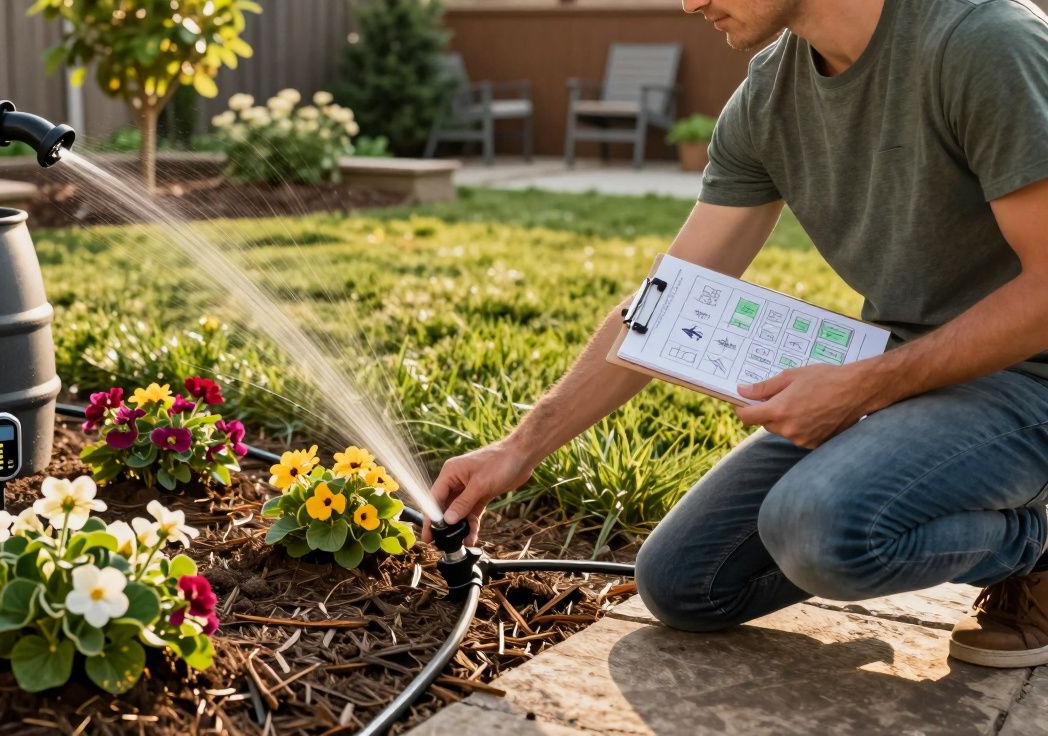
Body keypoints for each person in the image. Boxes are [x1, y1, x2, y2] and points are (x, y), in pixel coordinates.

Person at [426, 0, 1048, 668]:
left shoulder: (982, 43)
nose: (690, 2)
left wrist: (863, 384)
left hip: (1028, 380)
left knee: (819, 527)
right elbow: (665, 299)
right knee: (684, 584)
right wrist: (520, 447)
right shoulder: (770, 94)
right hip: (907, 371)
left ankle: (1033, 548)